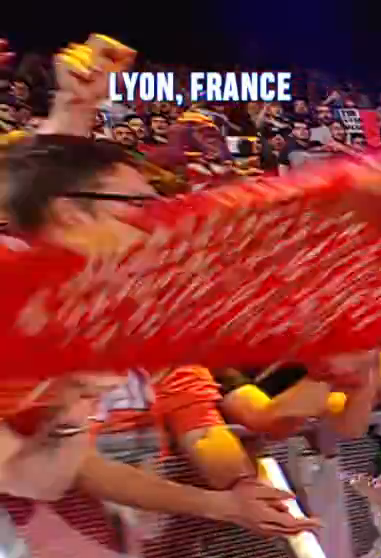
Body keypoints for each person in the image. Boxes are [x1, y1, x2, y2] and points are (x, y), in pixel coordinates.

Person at [0, 134, 308, 536]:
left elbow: (195, 416)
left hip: (144, 548)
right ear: (70, 213)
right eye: (138, 204)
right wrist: (215, 505)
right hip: (45, 552)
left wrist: (241, 487)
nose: (157, 221)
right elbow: (53, 471)